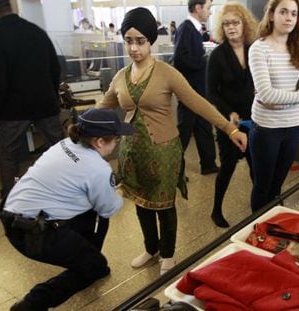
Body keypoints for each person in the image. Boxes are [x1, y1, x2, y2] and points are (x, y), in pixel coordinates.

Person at [97, 7, 247, 275]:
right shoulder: (120, 77)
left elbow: (198, 103)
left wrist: (229, 129)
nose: (134, 48)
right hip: (133, 152)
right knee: (141, 203)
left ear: (151, 40)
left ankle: (167, 252)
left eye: (140, 41)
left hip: (164, 151)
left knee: (164, 204)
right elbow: (104, 107)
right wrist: (79, 129)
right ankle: (151, 248)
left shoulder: (167, 73)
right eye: (129, 40)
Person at [0, 108, 134, 311]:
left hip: (10, 216)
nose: (117, 143)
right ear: (99, 141)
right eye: (115, 139)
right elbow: (108, 209)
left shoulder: (63, 144)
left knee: (91, 211)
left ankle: (87, 258)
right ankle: (30, 305)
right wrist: (119, 193)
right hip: (35, 235)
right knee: (96, 266)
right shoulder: (98, 168)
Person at [0, 0, 64, 197]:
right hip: (45, 104)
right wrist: (52, 98)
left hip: (13, 110)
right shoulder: (37, 32)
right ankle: (67, 191)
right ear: (10, 6)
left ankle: (12, 202)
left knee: (9, 157)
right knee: (61, 151)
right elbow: (55, 69)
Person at [248, 0, 299, 212]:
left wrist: (281, 100)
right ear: (271, 15)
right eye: (283, 12)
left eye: (294, 14)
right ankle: (256, 231)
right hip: (266, 128)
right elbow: (266, 93)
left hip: (293, 126)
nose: (289, 18)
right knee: (263, 186)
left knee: (277, 186)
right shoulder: (259, 49)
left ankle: (272, 225)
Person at [207, 2, 257, 228]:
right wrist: (230, 112)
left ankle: (261, 206)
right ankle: (216, 210)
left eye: (235, 22)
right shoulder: (217, 55)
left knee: (255, 165)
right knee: (227, 167)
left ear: (244, 24)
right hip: (229, 123)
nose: (231, 27)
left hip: (255, 119)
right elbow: (211, 92)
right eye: (226, 23)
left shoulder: (254, 49)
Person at [173, 0, 219, 175]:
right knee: (184, 131)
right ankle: (174, 169)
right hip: (189, 91)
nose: (210, 12)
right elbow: (180, 59)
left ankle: (208, 164)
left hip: (199, 90)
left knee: (203, 126)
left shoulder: (195, 30)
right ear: (198, 8)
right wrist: (204, 60)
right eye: (208, 8)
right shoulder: (186, 29)